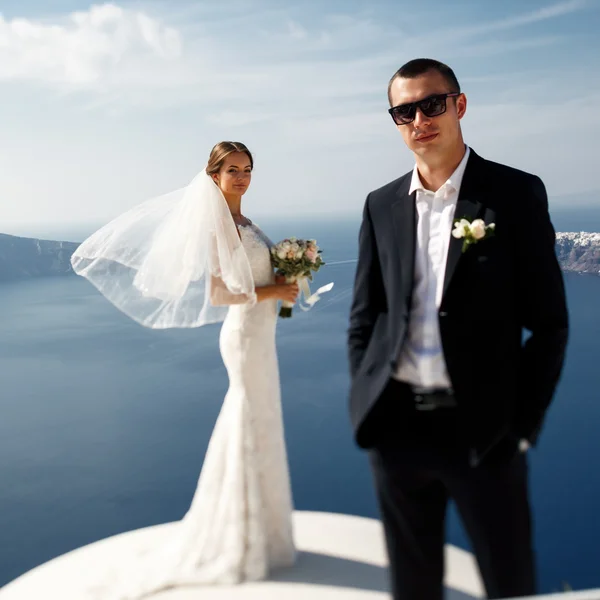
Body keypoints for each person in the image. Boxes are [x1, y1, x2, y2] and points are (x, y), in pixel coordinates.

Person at [347, 58, 569, 600]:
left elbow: (548, 324)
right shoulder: (381, 205)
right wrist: (367, 397)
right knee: (413, 584)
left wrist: (521, 427)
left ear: (459, 105)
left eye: (432, 104)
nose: (419, 119)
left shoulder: (515, 194)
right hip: (397, 429)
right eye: (404, 111)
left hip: (484, 434)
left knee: (508, 580)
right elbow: (366, 315)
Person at [71, 141, 298, 598]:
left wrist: (289, 276)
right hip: (244, 336)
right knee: (247, 420)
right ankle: (239, 539)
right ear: (213, 175)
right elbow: (218, 294)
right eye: (232, 170)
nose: (241, 177)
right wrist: (275, 293)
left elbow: (255, 277)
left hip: (262, 335)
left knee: (261, 419)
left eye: (247, 169)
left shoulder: (245, 223)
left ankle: (264, 536)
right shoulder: (220, 227)